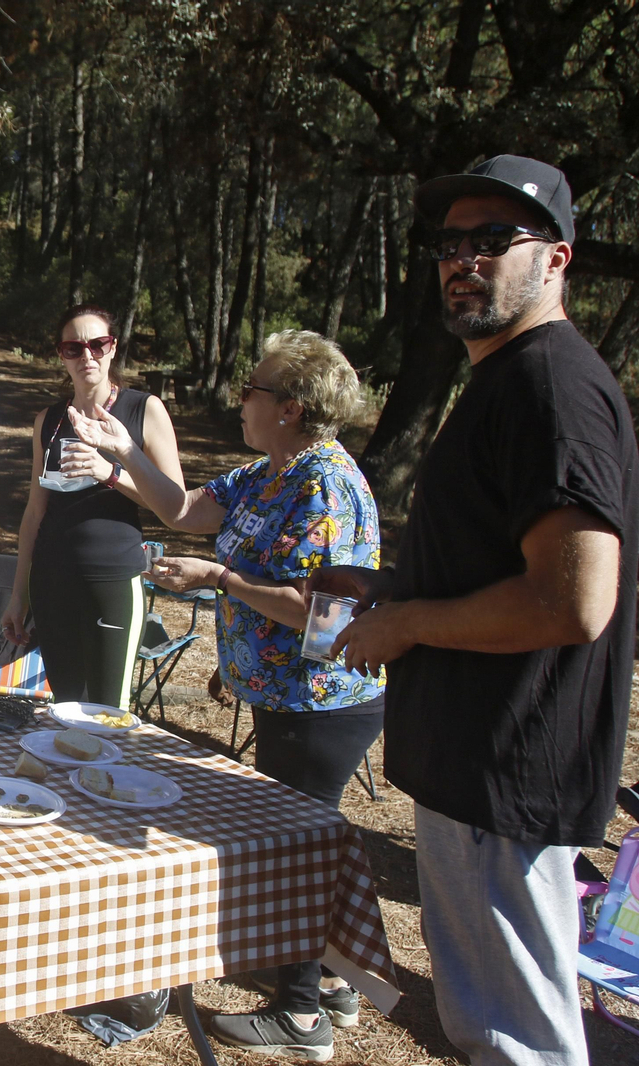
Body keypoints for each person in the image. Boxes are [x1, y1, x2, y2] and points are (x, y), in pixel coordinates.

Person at [312, 155, 637, 1066]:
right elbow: (502, 564)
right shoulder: (506, 378)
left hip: (510, 771)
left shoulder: (551, 387)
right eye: (451, 243)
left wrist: (408, 624)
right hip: (475, 765)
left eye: (495, 239)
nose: (464, 259)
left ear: (558, 259)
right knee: (486, 1024)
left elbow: (575, 600)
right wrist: (394, 590)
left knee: (516, 1039)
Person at [74, 329, 384, 1061]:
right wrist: (126, 453)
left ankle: (301, 1017)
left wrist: (219, 581)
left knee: (295, 851)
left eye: (253, 388)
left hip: (319, 703)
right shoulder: (269, 472)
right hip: (281, 693)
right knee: (306, 842)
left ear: (291, 407)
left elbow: (319, 614)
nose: (240, 398)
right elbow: (184, 511)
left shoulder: (324, 486)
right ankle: (336, 983)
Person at [0, 304, 184, 707]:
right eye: (73, 348)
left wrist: (109, 472)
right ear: (61, 355)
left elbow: (174, 503)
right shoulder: (49, 420)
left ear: (113, 348)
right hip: (51, 580)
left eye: (97, 345)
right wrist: (18, 595)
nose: (87, 356)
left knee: (107, 712)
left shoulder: (143, 409)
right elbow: (34, 513)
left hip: (111, 579)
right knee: (66, 706)